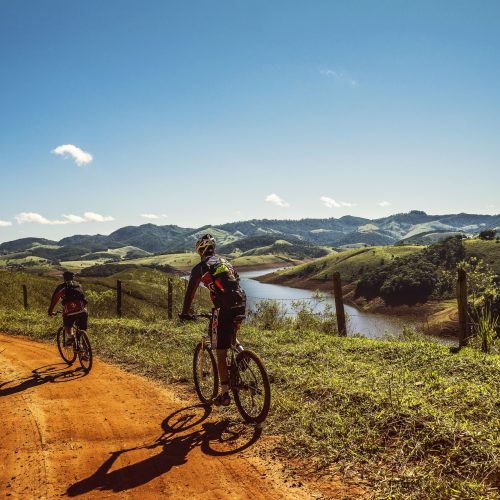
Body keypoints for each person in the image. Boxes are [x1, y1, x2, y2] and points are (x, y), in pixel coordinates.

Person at [180, 233, 246, 406]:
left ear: (200, 251)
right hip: (240, 303)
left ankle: (224, 395)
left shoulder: (201, 268)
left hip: (223, 308)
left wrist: (185, 313)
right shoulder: (225, 262)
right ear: (213, 249)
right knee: (229, 335)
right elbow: (236, 283)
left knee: (221, 351)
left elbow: (190, 293)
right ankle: (243, 354)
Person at [48, 271, 88, 345]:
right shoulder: (79, 285)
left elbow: (54, 300)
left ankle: (71, 337)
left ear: (64, 278)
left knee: (67, 325)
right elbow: (83, 299)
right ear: (73, 277)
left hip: (70, 313)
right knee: (83, 330)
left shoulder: (61, 287)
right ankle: (85, 352)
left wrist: (50, 311)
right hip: (82, 311)